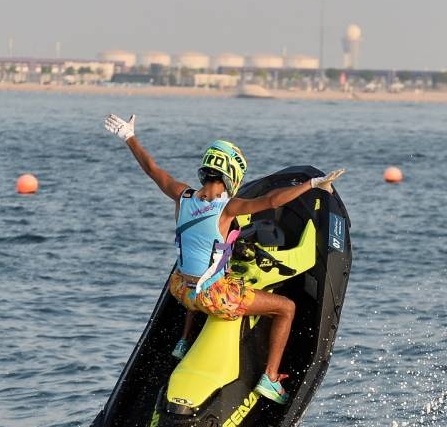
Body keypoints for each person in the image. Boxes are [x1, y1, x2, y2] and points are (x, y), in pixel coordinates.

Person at [104, 113, 343, 404]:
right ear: (233, 175)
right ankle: (270, 378)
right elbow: (271, 201)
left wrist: (128, 136)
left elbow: (152, 169)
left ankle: (184, 342)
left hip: (181, 290)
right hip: (211, 298)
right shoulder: (228, 208)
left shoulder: (183, 195)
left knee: (205, 272)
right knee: (286, 308)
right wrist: (313, 184)